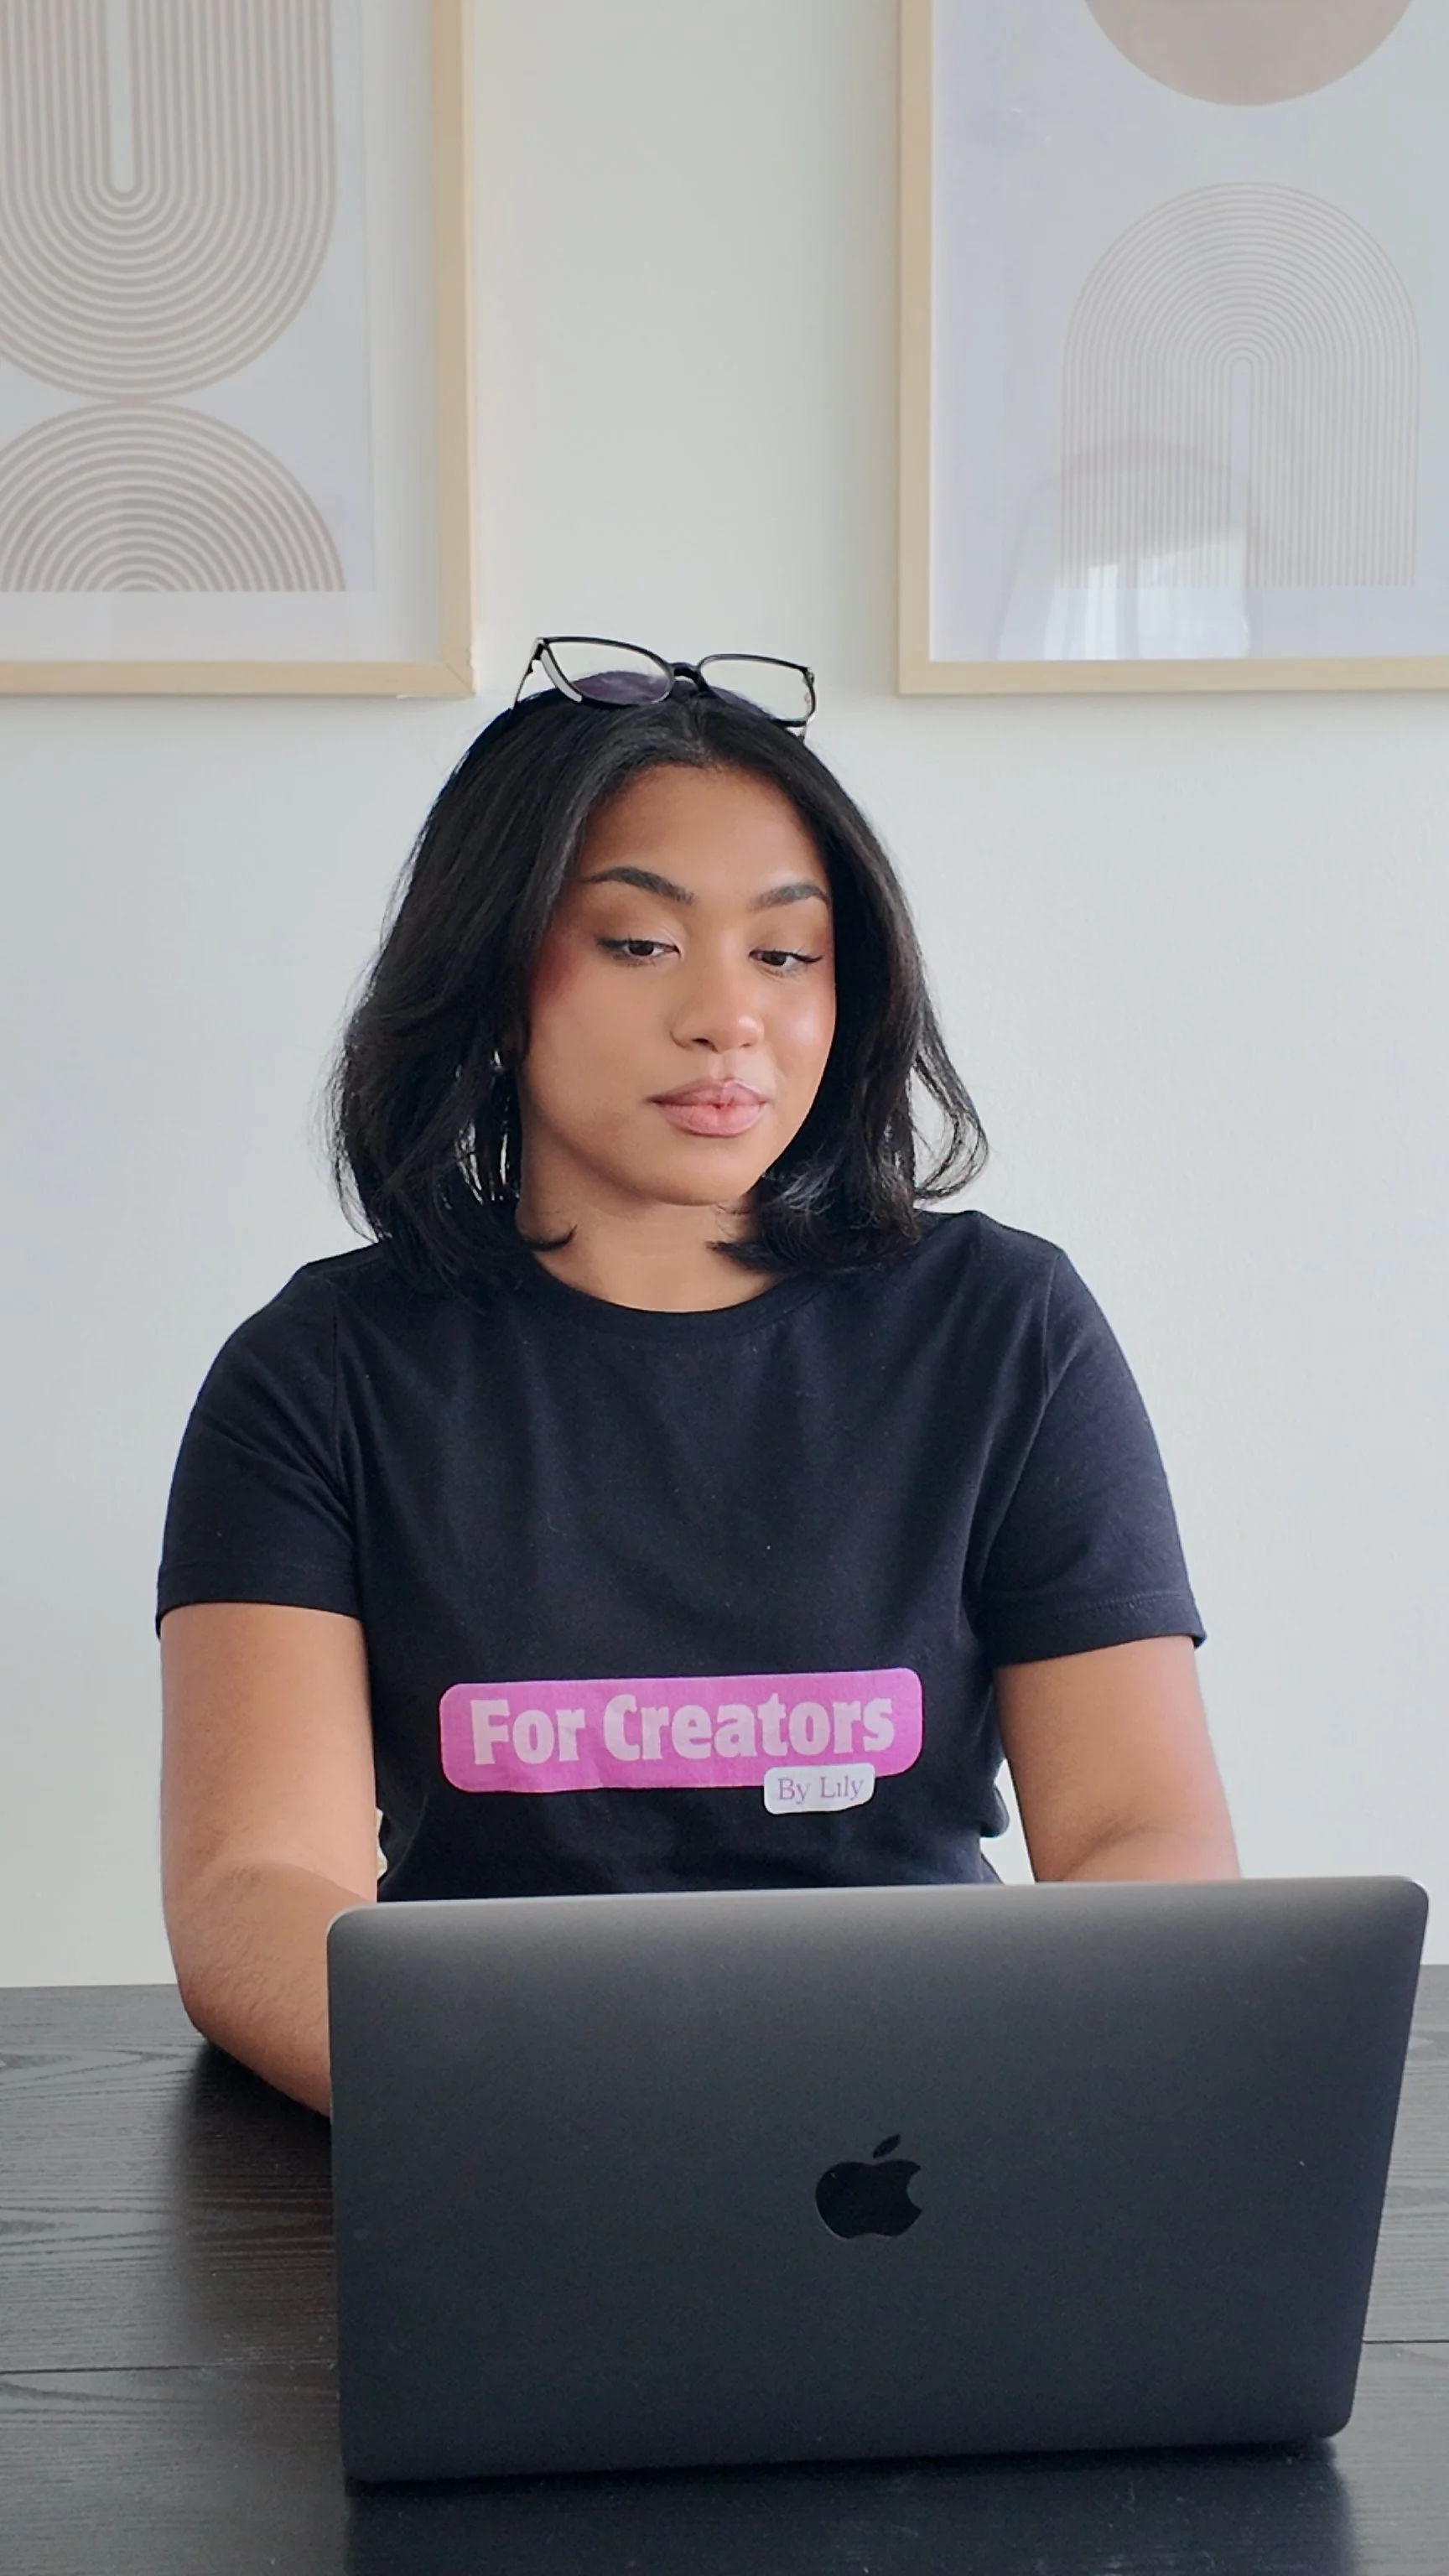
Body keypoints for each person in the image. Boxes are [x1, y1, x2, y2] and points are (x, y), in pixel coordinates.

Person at [158, 636, 1239, 2118]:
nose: (730, 1014)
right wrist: (522, 2111)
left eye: (786, 953)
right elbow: (253, 1887)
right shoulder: (318, 1375)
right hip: (495, 2124)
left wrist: (1019, 2082)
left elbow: (1141, 1835)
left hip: (926, 2136)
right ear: (491, 976)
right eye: (640, 943)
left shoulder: (1004, 1326)